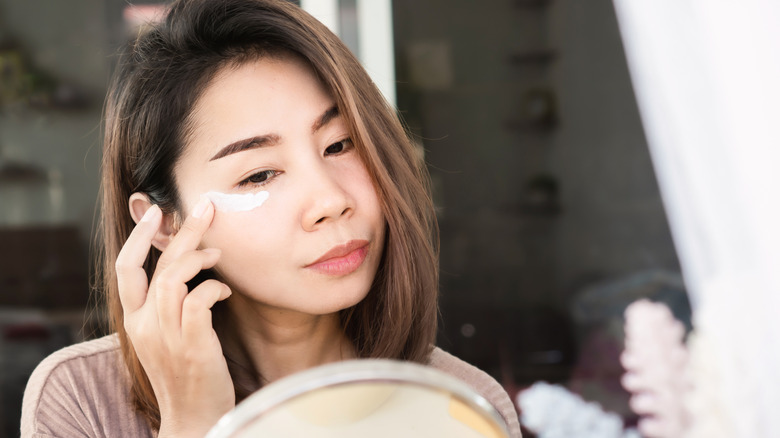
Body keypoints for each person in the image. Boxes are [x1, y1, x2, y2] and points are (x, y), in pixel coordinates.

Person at [20, 0, 521, 436]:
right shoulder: (82, 402)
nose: (330, 201)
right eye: (259, 174)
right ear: (165, 224)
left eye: (340, 144)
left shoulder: (462, 409)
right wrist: (193, 426)